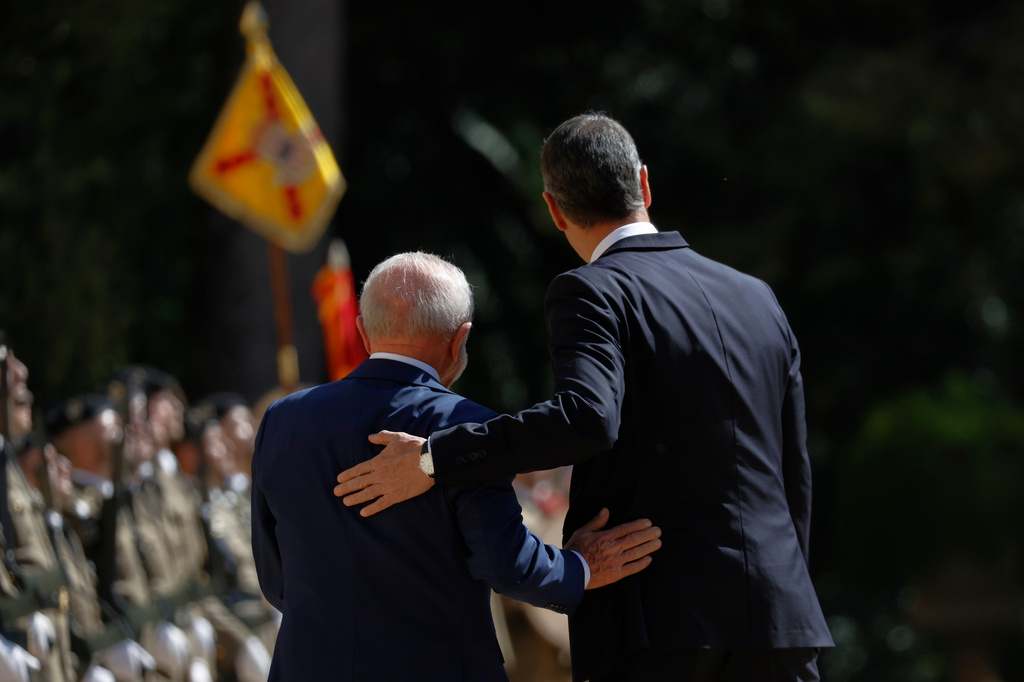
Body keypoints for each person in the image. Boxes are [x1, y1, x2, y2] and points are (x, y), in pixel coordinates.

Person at [335, 113, 834, 681]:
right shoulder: (758, 297)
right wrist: (786, 586)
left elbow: (588, 418)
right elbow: (795, 469)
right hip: (781, 615)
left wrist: (433, 458)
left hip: (660, 619)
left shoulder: (592, 289)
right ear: (644, 183)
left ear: (553, 210)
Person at [252, 252, 662, 681]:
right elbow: (507, 565)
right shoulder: (466, 428)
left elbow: (275, 578)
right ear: (458, 339)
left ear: (363, 333)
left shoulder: (281, 419)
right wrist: (581, 566)